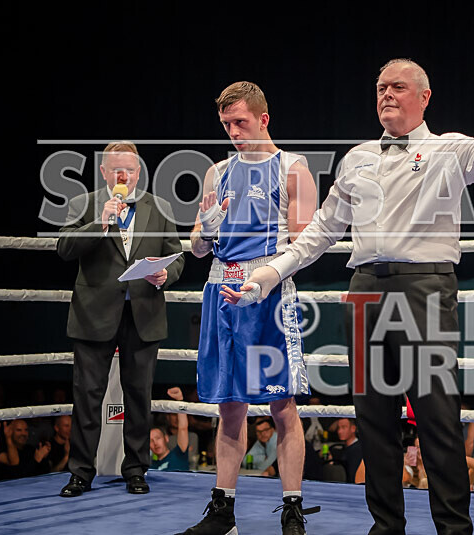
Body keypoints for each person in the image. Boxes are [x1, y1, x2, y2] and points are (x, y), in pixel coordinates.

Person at [225, 54, 474, 534]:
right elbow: (319, 232)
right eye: (381, 86)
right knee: (374, 422)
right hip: (364, 291)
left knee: (438, 420)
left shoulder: (449, 149)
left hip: (425, 289)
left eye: (398, 87)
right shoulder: (357, 157)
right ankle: (386, 528)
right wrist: (267, 277)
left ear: (424, 98)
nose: (386, 94)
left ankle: (454, 530)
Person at [178, 81, 318, 535]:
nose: (234, 131)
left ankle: (293, 507)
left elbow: (305, 244)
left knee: (282, 404)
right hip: (221, 287)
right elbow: (199, 249)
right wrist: (207, 229)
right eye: (226, 124)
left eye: (240, 121)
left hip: (269, 293)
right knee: (229, 406)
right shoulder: (217, 172)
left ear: (264, 119)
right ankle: (223, 511)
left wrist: (263, 277)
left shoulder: (293, 168)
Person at [57, 141, 184, 497]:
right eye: (116, 170)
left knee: (139, 398)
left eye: (128, 169)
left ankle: (136, 470)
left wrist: (166, 274)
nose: (123, 175)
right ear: (103, 172)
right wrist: (99, 224)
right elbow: (64, 248)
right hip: (94, 315)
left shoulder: (158, 207)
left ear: (139, 172)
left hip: (143, 312)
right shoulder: (84, 204)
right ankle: (81, 473)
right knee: (87, 397)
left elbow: (175, 255)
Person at [150, 387, 190, 471]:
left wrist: (179, 400)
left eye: (158, 438)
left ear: (166, 438)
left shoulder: (179, 455)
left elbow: (183, 428)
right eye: (150, 441)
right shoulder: (150, 468)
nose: (155, 443)